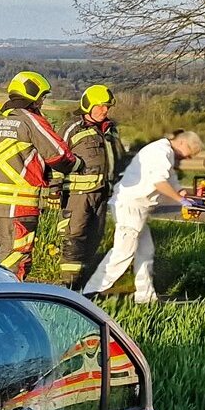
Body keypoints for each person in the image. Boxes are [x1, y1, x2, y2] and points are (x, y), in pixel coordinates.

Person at [82, 130, 204, 303]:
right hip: (131, 206)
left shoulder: (165, 153)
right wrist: (180, 200)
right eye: (189, 153)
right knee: (123, 252)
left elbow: (171, 180)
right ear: (183, 143)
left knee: (145, 251)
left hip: (138, 207)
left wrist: (184, 194)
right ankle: (91, 292)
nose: (188, 158)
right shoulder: (160, 152)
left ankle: (145, 296)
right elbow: (159, 182)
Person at [0, 70, 73, 279]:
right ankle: (10, 296)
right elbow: (59, 155)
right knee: (15, 258)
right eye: (42, 97)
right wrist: (77, 165)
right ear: (33, 95)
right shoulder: (32, 121)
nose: (42, 102)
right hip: (20, 205)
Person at [60, 84, 124, 288]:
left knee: (94, 238)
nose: (104, 111)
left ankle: (85, 285)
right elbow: (55, 158)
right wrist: (53, 190)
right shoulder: (72, 128)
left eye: (107, 107)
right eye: (100, 106)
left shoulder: (111, 130)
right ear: (87, 105)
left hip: (102, 194)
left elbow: (118, 159)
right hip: (77, 196)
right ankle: (69, 286)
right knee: (74, 238)